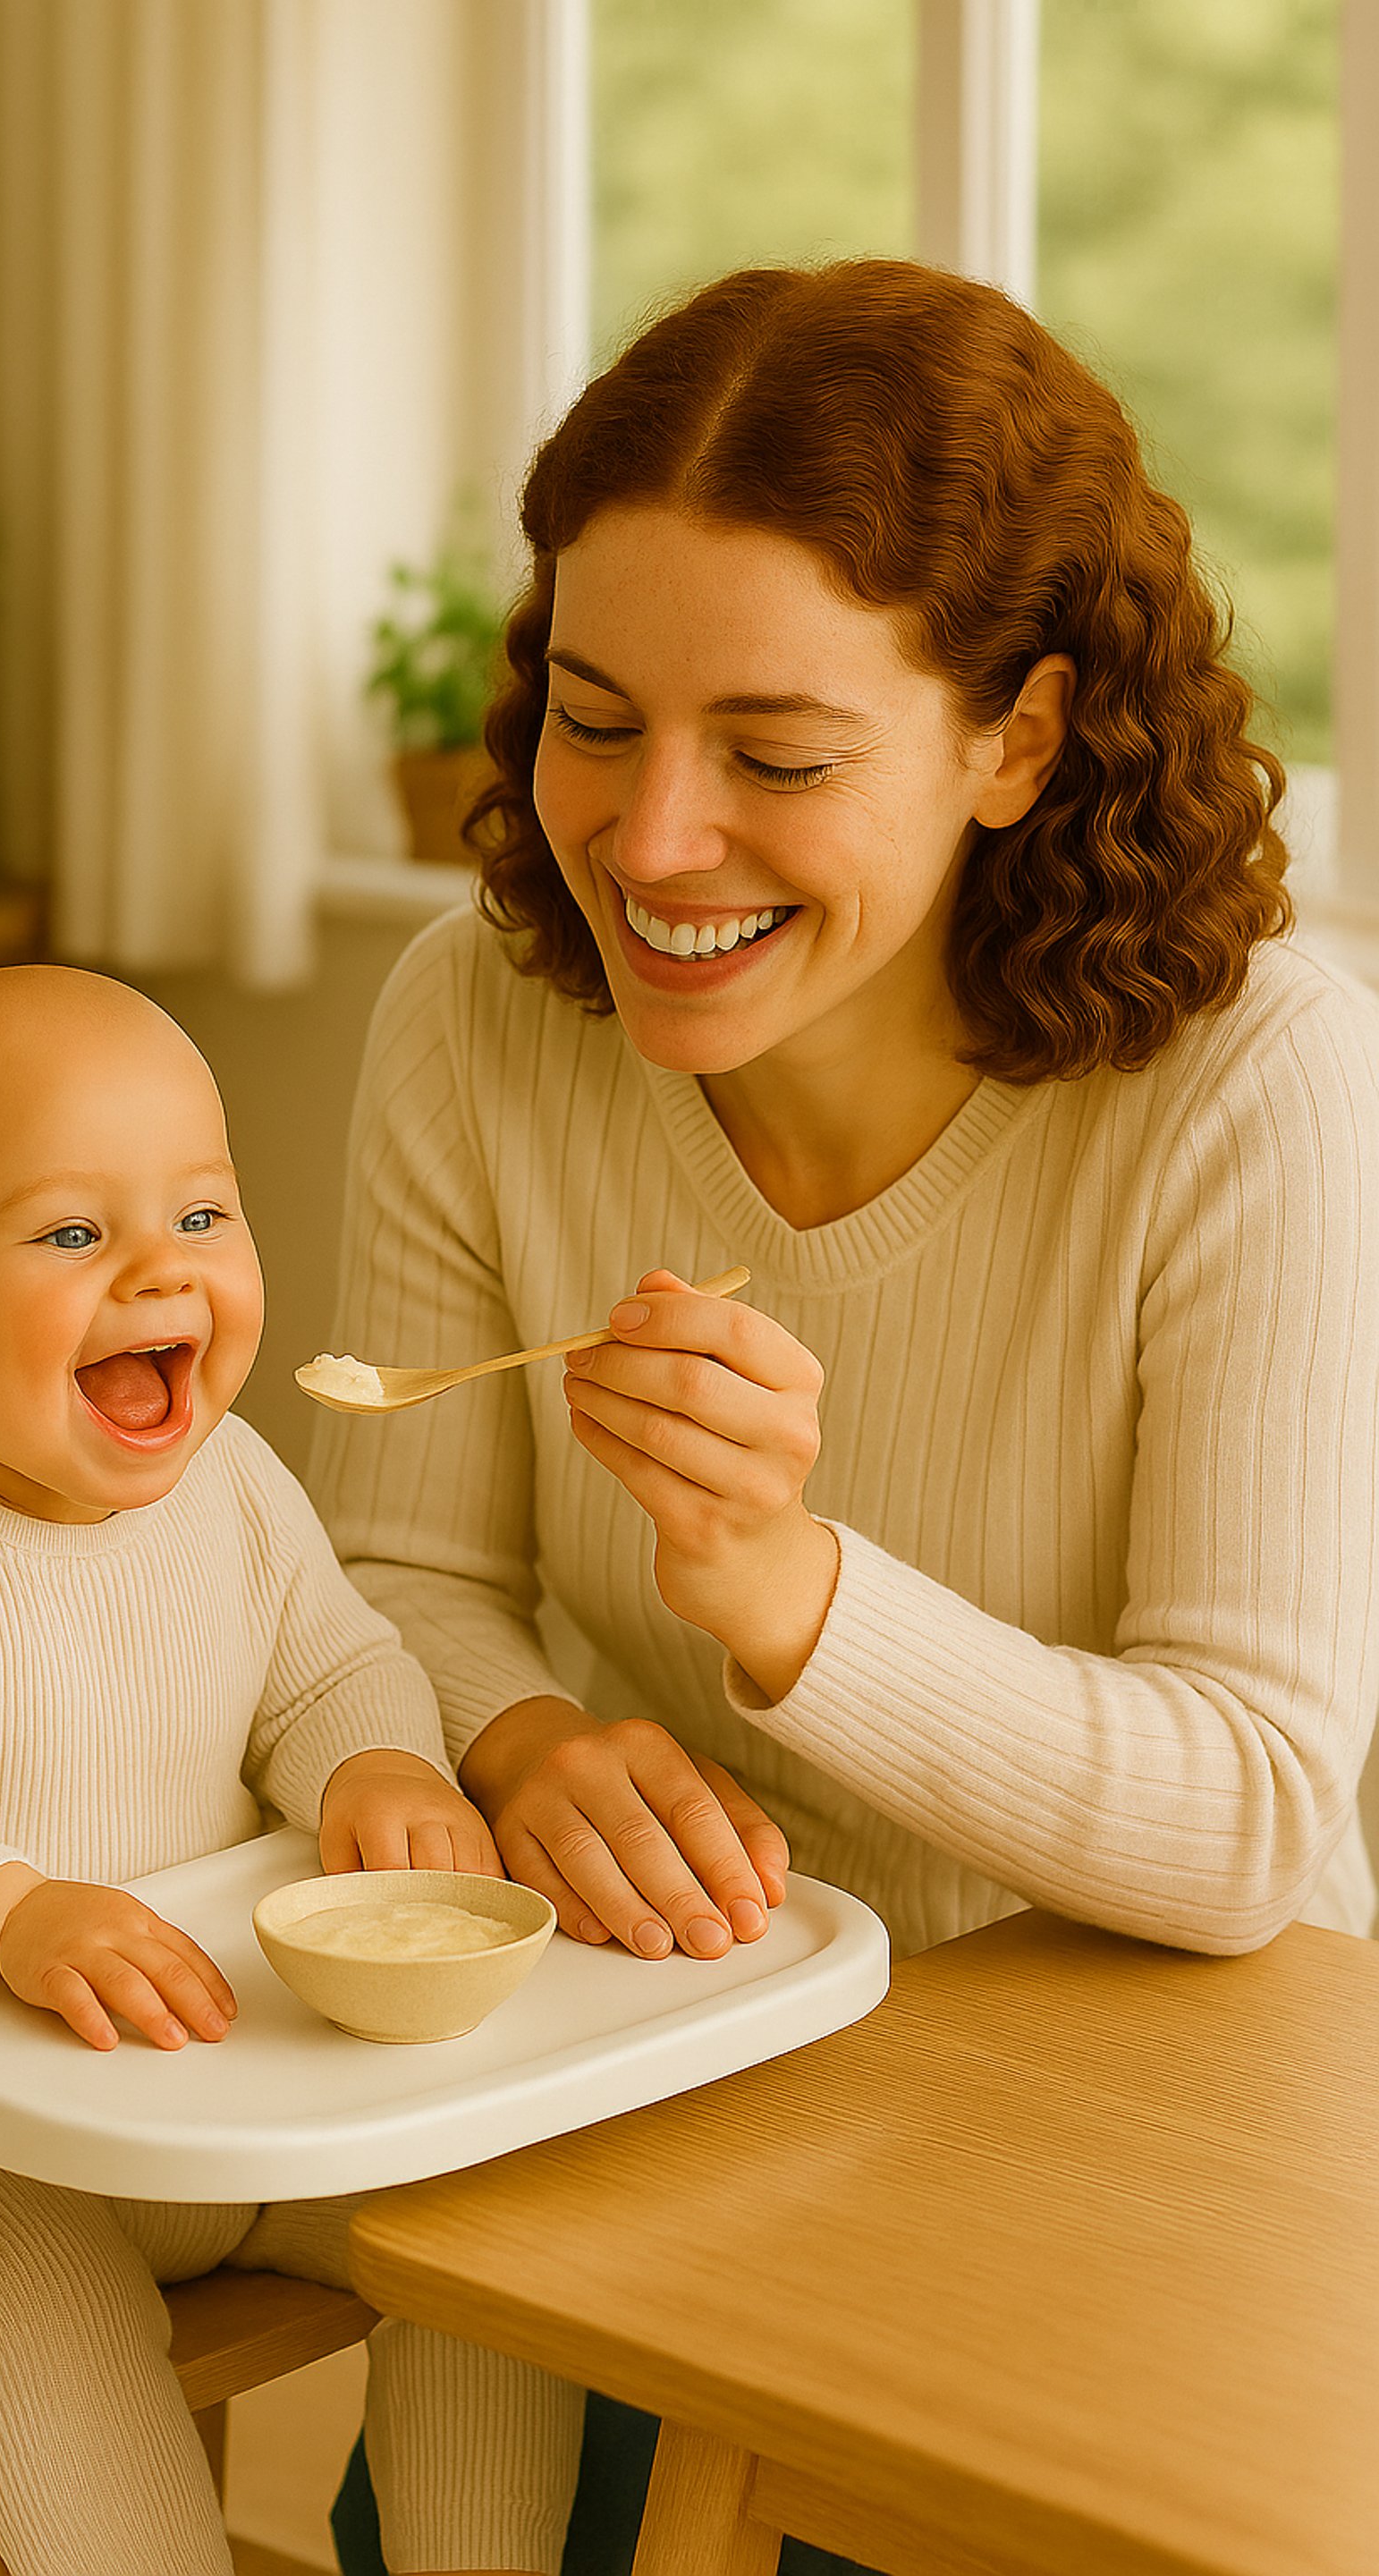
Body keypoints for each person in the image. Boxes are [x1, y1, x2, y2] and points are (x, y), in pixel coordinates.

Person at [315, 258, 1379, 2573]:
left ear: (1018, 738)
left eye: (777, 757)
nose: (653, 840)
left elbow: (1254, 1818)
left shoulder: (1253, 1079)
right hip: (661, 2069)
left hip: (1137, 2136)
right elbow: (396, 1573)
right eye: (593, 719)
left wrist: (792, 1601)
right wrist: (517, 1742)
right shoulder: (476, 1019)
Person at [0, 964, 583, 2576]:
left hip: (207, 2089)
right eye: (72, 1236)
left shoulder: (232, 1480)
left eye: (202, 1214)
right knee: (61, 2332)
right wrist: (8, 1913)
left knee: (485, 2230)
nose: (160, 1274)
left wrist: (370, 1758)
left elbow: (330, 1658)